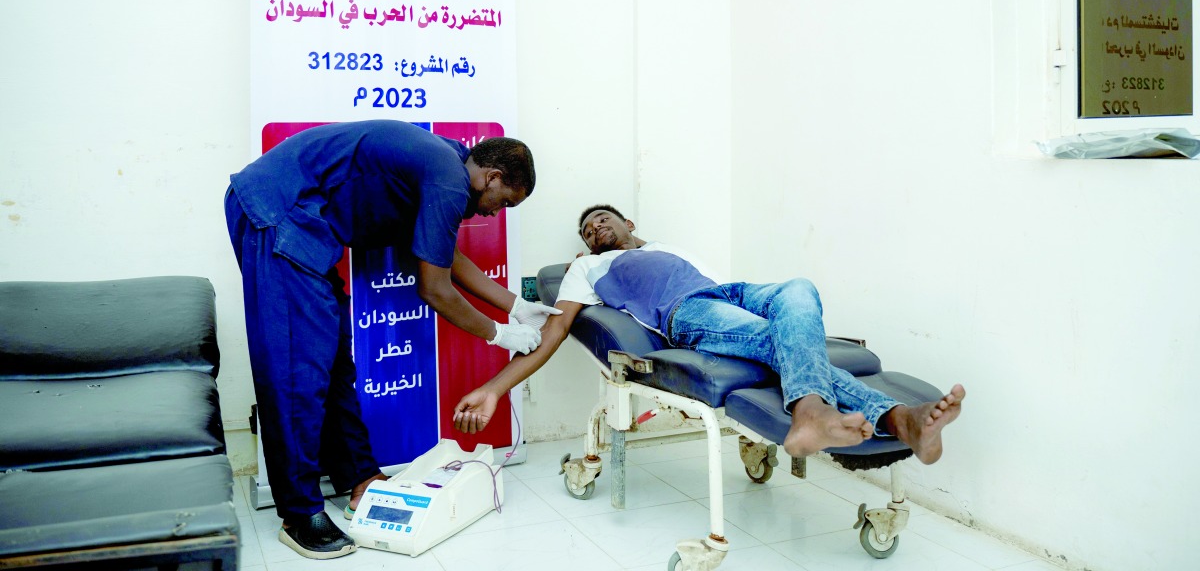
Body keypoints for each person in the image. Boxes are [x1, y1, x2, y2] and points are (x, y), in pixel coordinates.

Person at [224, 120, 557, 559]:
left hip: (302, 222)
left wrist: (517, 306)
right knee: (296, 372)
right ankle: (299, 514)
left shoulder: (448, 164)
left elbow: (446, 256)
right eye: (506, 202)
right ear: (492, 177)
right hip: (278, 212)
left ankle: (360, 478)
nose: (497, 214)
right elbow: (434, 289)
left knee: (333, 364)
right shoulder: (448, 176)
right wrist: (500, 334)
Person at [453, 204, 964, 466]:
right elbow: (554, 332)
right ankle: (895, 419)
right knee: (774, 341)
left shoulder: (666, 247)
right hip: (688, 314)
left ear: (628, 221)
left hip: (729, 293)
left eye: (601, 220)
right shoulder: (587, 269)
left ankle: (822, 412)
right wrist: (495, 389)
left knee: (799, 289)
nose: (594, 231)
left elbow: (722, 287)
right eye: (587, 231)